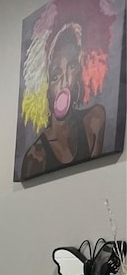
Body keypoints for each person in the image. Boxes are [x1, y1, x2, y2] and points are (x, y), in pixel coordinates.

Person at [21, 22, 106, 179]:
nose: (66, 81)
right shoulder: (36, 156)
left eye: (72, 66)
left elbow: (95, 180)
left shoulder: (95, 120)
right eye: (55, 75)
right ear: (45, 89)